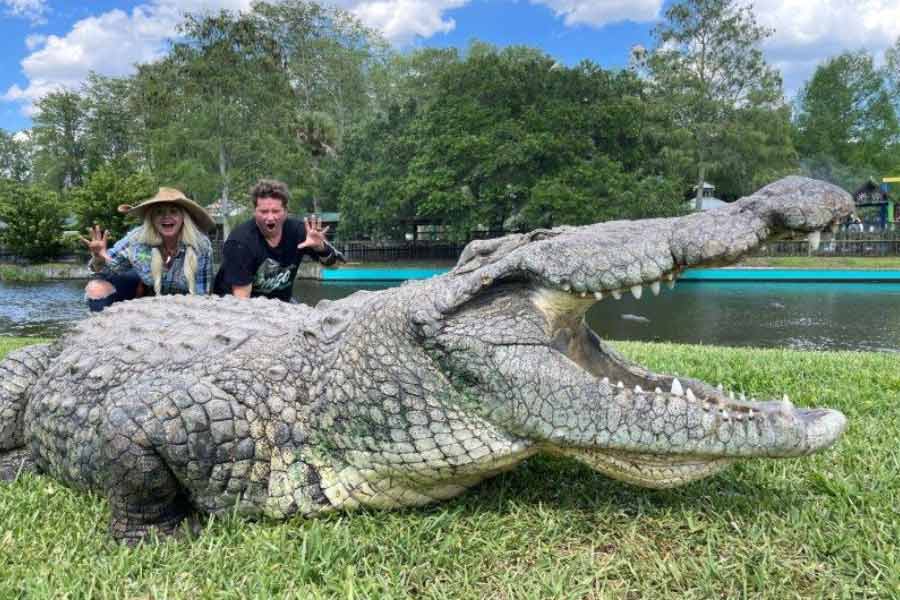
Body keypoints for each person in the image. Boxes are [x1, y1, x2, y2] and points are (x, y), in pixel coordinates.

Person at [82, 187, 215, 312]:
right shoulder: (136, 238)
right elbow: (108, 269)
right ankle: (101, 329)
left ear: (183, 218)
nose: (166, 216)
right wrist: (98, 258)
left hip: (184, 303)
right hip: (143, 292)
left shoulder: (201, 245)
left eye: (173, 211)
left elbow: (202, 292)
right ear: (151, 218)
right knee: (96, 287)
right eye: (159, 212)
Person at [213, 178, 340, 301]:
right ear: (254, 212)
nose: (270, 217)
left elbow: (335, 267)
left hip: (280, 305)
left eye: (275, 211)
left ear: (285, 211)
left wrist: (320, 248)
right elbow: (241, 302)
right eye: (263, 211)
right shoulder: (240, 243)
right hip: (233, 308)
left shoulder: (299, 232)